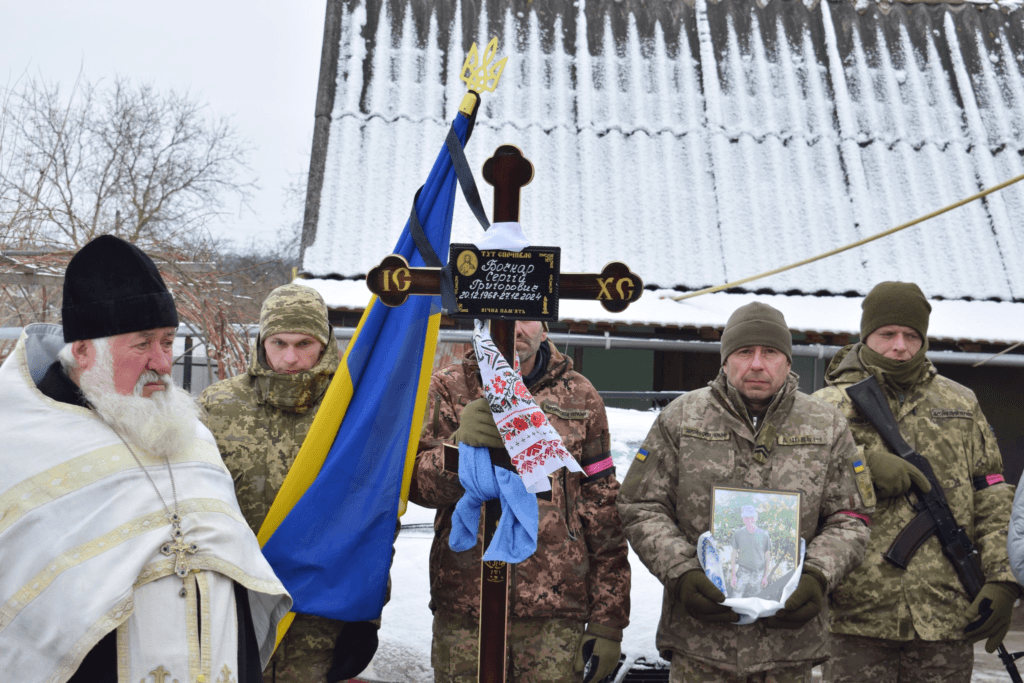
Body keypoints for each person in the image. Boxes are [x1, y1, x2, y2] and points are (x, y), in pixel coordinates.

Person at [0, 235, 290, 683]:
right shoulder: (21, 440)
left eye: (168, 341)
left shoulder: (189, 432)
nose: (161, 362)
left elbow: (234, 562)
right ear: (82, 350)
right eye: (141, 345)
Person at [617, 301, 873, 683]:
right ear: (724, 362)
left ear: (787, 362)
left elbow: (851, 517)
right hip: (701, 644)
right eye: (744, 352)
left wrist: (818, 575)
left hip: (788, 647)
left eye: (770, 352)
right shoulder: (681, 418)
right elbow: (640, 505)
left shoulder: (827, 425)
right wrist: (682, 572)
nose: (757, 363)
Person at [813, 282, 1019, 683]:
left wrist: (1002, 580)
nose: (900, 346)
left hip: (944, 615)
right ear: (866, 335)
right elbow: (800, 489)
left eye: (911, 335)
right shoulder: (827, 407)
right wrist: (861, 466)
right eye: (887, 334)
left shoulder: (960, 404)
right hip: (855, 616)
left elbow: (992, 492)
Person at [411, 320, 630, 683]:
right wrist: (460, 451)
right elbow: (419, 488)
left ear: (545, 328)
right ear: (481, 322)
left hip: (555, 612)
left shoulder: (580, 394)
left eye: (527, 317)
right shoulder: (449, 386)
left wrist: (609, 620)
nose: (513, 328)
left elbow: (603, 506)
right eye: (502, 317)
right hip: (468, 605)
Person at [200, 283, 381, 683]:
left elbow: (374, 510)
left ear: (326, 342)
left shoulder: (353, 410)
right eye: (278, 342)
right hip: (238, 605)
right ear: (262, 340)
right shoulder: (217, 407)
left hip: (321, 614)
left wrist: (366, 612)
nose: (290, 358)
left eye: (304, 343)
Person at [729, 505, 772, 599]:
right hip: (743, 571)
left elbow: (767, 557)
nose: (749, 520)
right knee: (735, 598)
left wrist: (765, 576)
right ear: (743, 518)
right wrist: (733, 576)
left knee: (756, 600)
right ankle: (734, 614)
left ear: (756, 517)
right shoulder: (738, 534)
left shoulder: (764, 535)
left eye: (751, 517)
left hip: (758, 572)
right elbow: (733, 555)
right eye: (746, 517)